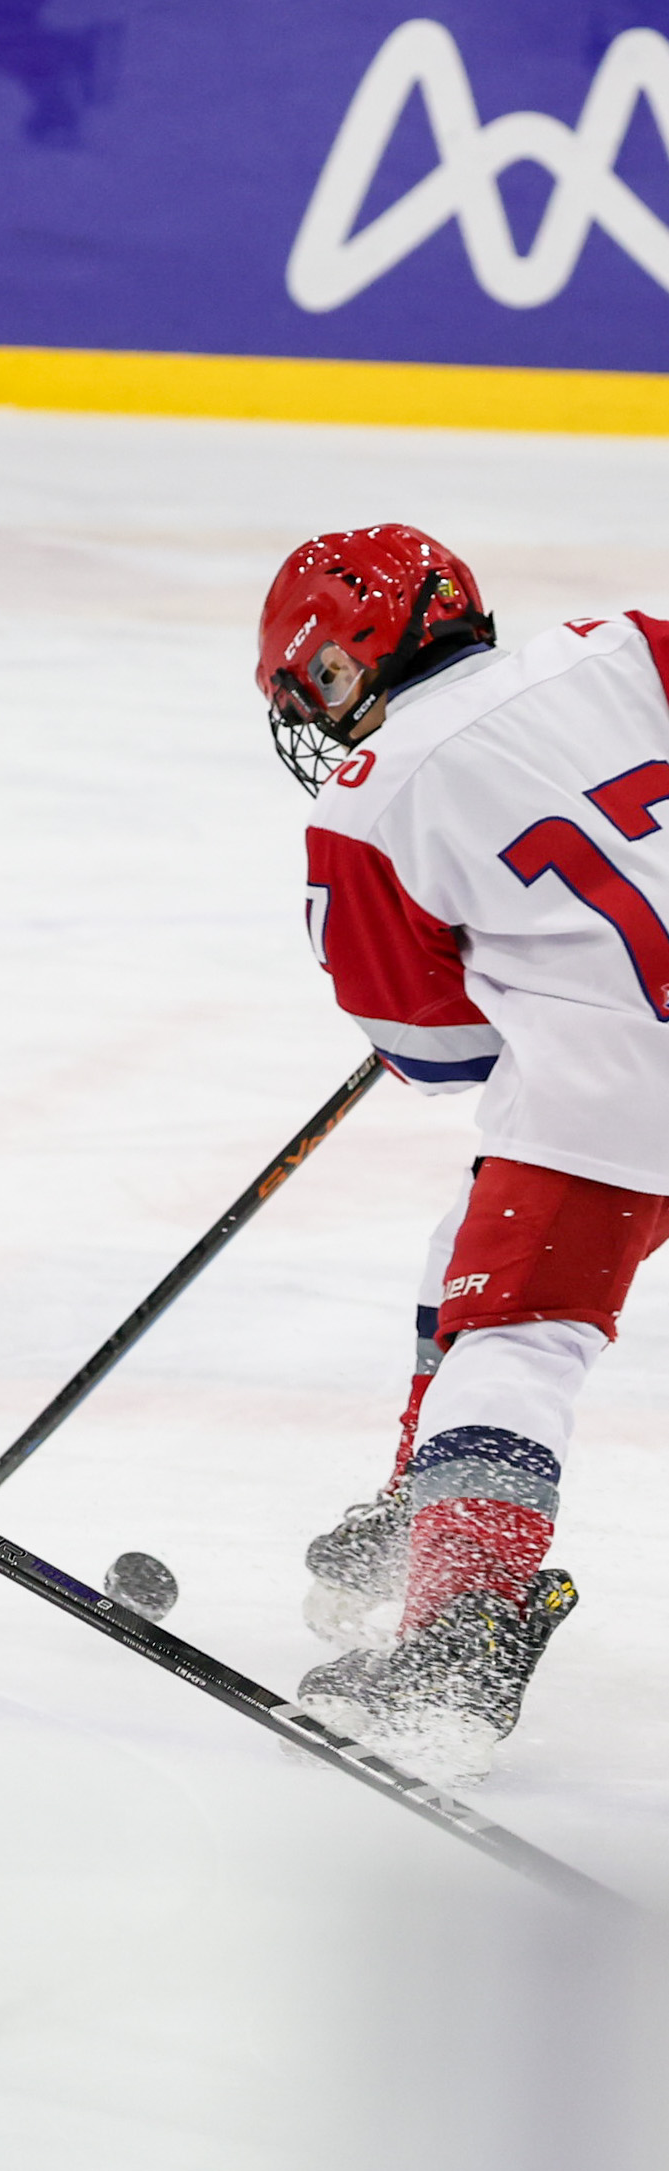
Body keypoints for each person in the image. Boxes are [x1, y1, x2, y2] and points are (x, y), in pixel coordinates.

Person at [254, 522, 669, 1779]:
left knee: (516, 1335)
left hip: (625, 1098)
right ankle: (425, 1498)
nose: (322, 710)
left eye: (320, 677)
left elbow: (435, 1053)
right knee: (469, 1241)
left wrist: (520, 985)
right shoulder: (621, 646)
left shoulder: (367, 798)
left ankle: (461, 1637)